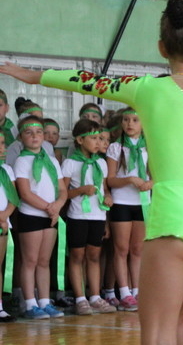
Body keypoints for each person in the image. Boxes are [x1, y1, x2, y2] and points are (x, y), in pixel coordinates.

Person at [1, 0, 183, 343]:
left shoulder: (147, 88)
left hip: (174, 216)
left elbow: (86, 80)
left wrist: (31, 76)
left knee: (156, 336)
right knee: (179, 328)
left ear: (160, 47)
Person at [12, 115, 67, 319]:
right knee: (30, 260)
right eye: (28, 132)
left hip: (50, 216)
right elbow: (25, 193)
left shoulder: (52, 160)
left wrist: (58, 205)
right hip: (32, 215)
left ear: (44, 136)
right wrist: (49, 208)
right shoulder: (21, 160)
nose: (34, 136)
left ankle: (44, 301)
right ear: (20, 137)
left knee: (44, 261)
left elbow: (62, 189)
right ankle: (29, 304)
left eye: (38, 132)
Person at [61, 118, 118, 315]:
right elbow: (63, 194)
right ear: (79, 140)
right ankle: (80, 298)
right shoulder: (70, 163)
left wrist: (108, 198)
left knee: (94, 256)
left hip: (98, 216)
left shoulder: (101, 163)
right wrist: (81, 190)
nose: (97, 142)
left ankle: (95, 296)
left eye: (99, 138)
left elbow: (104, 189)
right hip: (78, 216)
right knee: (77, 256)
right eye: (93, 138)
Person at [105, 107, 150, 311]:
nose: (129, 124)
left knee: (138, 249)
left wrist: (150, 183)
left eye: (135, 119)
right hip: (122, 202)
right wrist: (130, 179)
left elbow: (155, 175)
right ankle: (123, 291)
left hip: (142, 203)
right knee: (121, 249)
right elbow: (111, 180)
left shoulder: (149, 147)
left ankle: (138, 290)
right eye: (126, 120)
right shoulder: (116, 148)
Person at [0, 132, 18, 322]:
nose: (1, 148)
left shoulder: (6, 170)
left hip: (2, 223)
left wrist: (5, 215)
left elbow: (13, 197)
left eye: (3, 144)